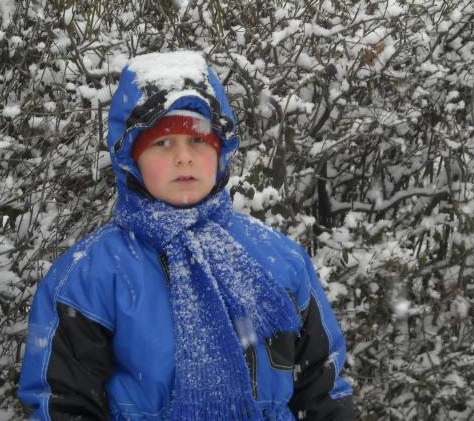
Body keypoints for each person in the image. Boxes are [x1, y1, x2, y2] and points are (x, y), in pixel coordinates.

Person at [18, 51, 355, 420]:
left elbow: (323, 388)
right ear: (130, 158)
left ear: (221, 152)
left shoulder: (279, 260)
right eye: (162, 143)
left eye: (197, 140)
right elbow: (64, 405)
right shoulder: (90, 277)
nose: (184, 158)